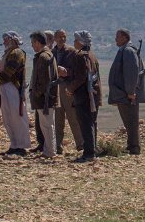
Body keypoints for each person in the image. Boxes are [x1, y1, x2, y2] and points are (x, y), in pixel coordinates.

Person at [107, 28, 145, 155]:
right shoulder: (124, 50)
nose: (115, 39)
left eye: (117, 37)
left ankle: (134, 147)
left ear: (124, 38)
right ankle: (132, 146)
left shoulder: (128, 51)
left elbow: (131, 73)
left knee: (131, 121)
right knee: (128, 121)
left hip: (127, 95)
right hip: (122, 93)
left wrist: (130, 92)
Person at [65, 30, 101, 163]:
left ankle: (89, 154)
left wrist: (70, 89)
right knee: (90, 123)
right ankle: (91, 151)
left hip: (84, 97)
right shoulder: (91, 55)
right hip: (92, 96)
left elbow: (80, 78)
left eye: (75, 40)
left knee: (86, 124)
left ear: (80, 42)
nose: (74, 43)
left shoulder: (80, 56)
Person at [0, 31, 30, 155]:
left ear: (12, 40)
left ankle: (21, 145)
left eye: (6, 40)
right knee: (8, 117)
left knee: (17, 116)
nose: (4, 42)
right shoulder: (8, 53)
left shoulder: (16, 53)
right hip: (4, 87)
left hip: (12, 88)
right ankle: (14, 144)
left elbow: (8, 72)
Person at [52, 29, 83, 156]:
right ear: (54, 39)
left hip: (68, 89)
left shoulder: (72, 52)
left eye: (64, 36)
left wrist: (67, 72)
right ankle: (57, 147)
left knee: (73, 119)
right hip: (55, 89)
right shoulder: (51, 53)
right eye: (60, 37)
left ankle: (81, 146)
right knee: (58, 121)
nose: (62, 39)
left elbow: (79, 70)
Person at [29, 32, 58, 158]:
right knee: (46, 124)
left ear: (37, 42)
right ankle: (49, 149)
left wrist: (37, 93)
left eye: (32, 43)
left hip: (45, 98)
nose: (32, 46)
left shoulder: (43, 57)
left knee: (47, 124)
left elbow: (44, 80)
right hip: (45, 97)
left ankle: (50, 151)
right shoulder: (44, 55)